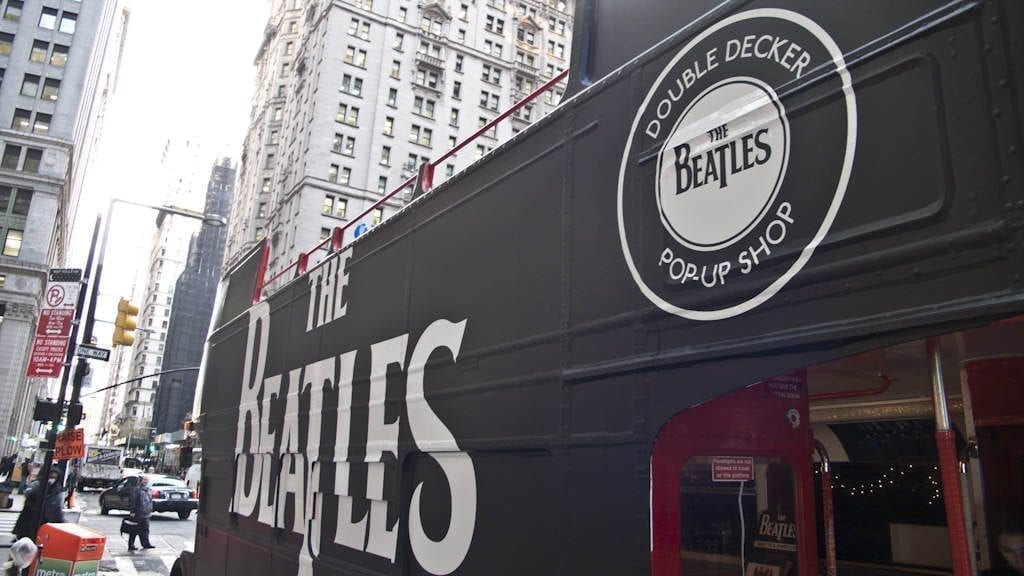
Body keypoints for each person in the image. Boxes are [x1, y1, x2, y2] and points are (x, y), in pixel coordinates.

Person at [12, 469, 64, 542]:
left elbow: (58, 506)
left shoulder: (57, 489)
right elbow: (28, 494)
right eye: (51, 477)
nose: (52, 480)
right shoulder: (36, 484)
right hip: (31, 516)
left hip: (46, 519)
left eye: (55, 478)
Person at [127, 475, 155, 551]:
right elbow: (133, 500)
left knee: (145, 529)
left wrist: (150, 510)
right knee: (134, 530)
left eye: (147, 480)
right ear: (141, 480)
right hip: (138, 513)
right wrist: (132, 511)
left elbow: (150, 501)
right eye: (144, 480)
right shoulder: (137, 489)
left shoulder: (148, 490)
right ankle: (131, 545)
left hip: (146, 513)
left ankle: (146, 544)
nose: (146, 481)